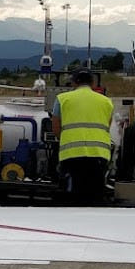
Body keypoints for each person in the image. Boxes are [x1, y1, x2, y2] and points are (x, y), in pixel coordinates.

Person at [50, 69, 114, 204]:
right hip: (99, 155)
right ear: (93, 83)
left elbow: (55, 129)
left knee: (73, 198)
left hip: (72, 156)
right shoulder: (106, 102)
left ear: (73, 82)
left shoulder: (62, 99)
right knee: (95, 197)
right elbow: (106, 127)